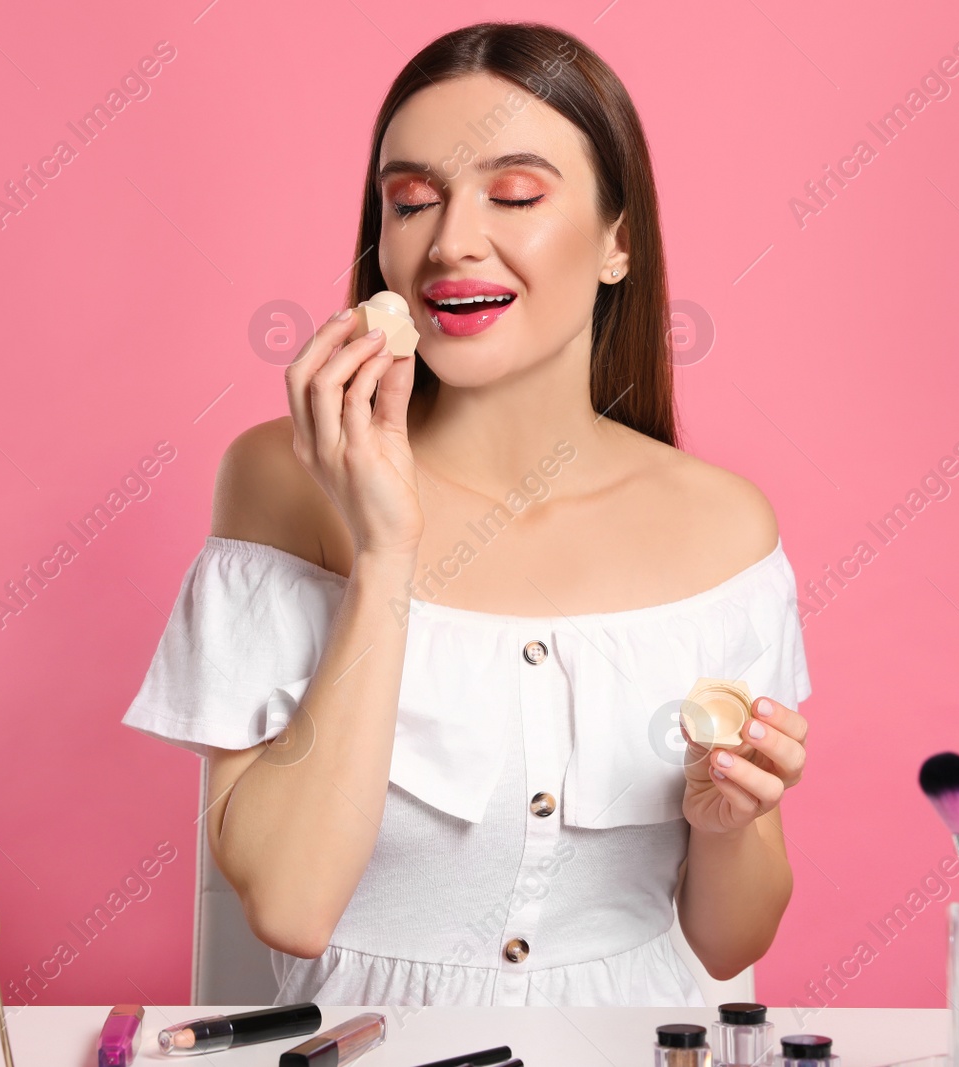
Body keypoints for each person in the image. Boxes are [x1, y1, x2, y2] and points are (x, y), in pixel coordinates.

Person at [122, 21, 812, 1007]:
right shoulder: (285, 479)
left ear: (619, 240)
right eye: (410, 201)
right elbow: (289, 903)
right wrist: (386, 549)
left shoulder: (722, 526)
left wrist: (727, 820)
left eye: (516, 194)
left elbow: (726, 939)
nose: (448, 241)